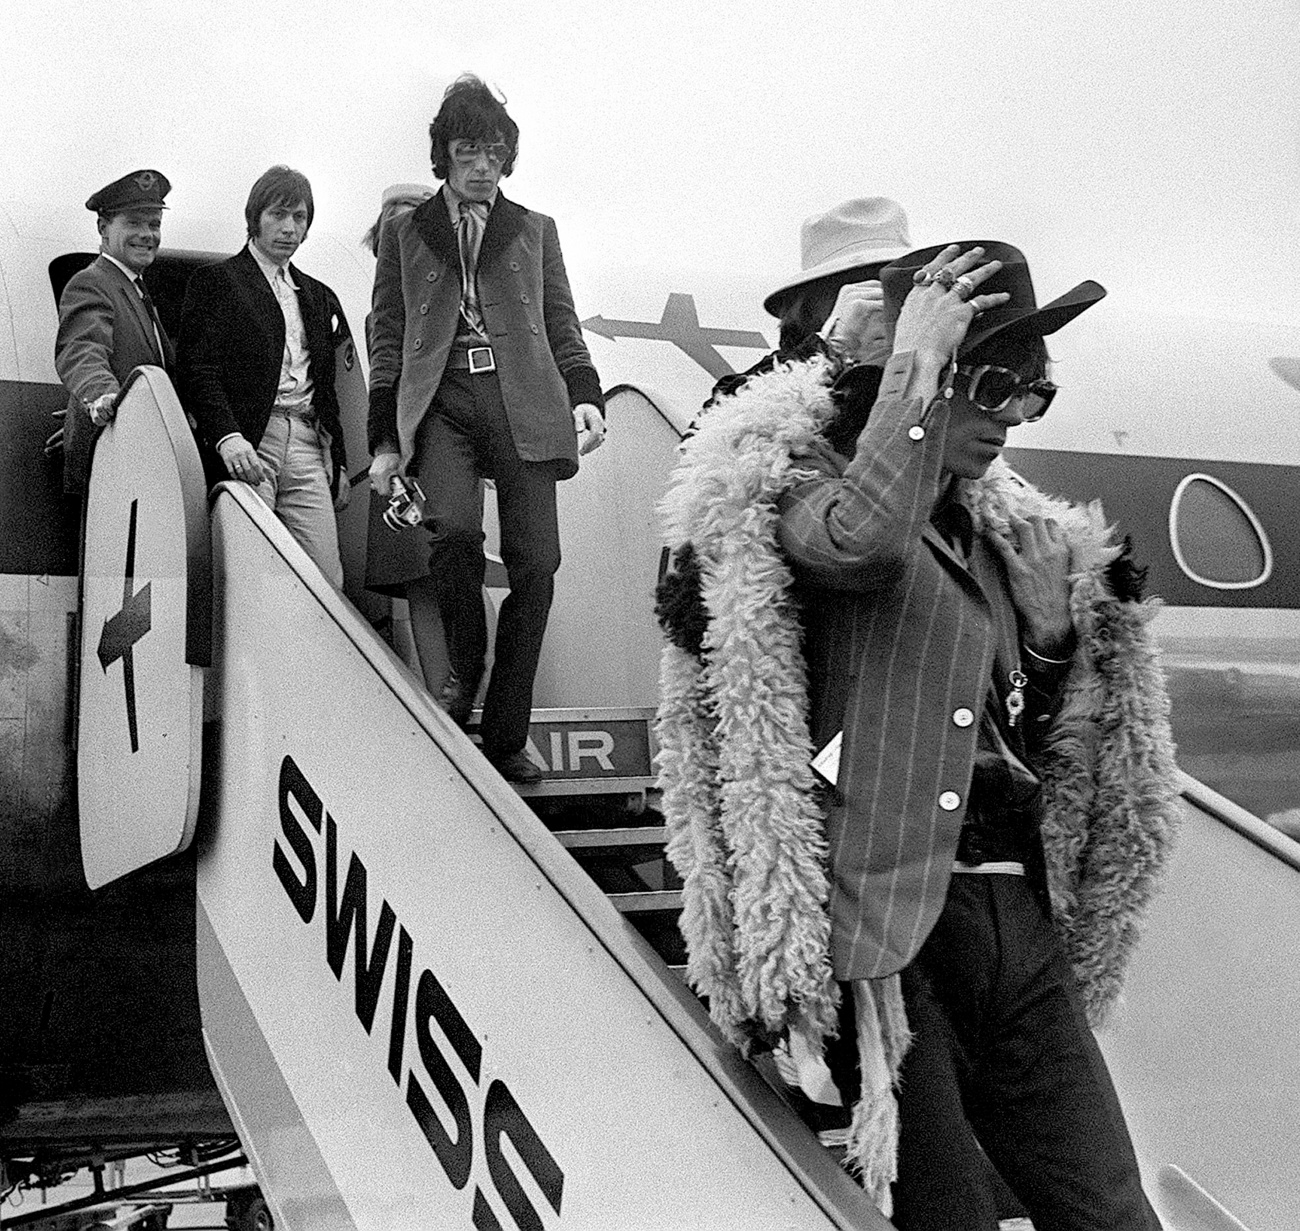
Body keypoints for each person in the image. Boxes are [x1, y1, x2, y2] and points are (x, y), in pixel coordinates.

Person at [655, 241, 1180, 1228]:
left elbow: (1029, 732)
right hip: (894, 932)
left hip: (1011, 924)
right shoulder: (800, 487)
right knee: (948, 1216)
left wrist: (1054, 636)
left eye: (1035, 394)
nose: (1013, 416)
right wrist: (911, 368)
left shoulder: (1006, 534)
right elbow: (858, 546)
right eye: (992, 383)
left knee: (1112, 1210)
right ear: (930, 374)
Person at [367, 74, 605, 784]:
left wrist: (586, 394)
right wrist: (384, 441)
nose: (482, 165)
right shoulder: (406, 234)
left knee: (538, 563)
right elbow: (388, 334)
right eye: (468, 150)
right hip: (442, 399)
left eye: (494, 152)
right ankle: (464, 665)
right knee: (455, 534)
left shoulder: (535, 230)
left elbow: (561, 320)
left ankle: (507, 728)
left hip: (524, 398)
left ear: (508, 157)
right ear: (444, 154)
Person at [178, 166, 349, 587]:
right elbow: (197, 368)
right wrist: (227, 436)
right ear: (254, 218)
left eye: (300, 218)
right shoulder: (216, 282)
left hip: (307, 442)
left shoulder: (316, 294)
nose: (289, 228)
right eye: (278, 215)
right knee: (249, 572)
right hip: (253, 436)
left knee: (326, 579)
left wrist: (339, 459)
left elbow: (325, 385)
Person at [359, 184, 457, 695]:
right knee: (424, 575)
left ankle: (454, 692)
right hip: (399, 456)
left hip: (428, 450)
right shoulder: (390, 306)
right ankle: (446, 692)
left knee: (443, 570)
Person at [706, 196, 912, 420]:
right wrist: (831, 349)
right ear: (810, 308)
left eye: (895, 282)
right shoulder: (785, 371)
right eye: (853, 285)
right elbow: (709, 436)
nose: (875, 303)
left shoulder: (940, 359)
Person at [54, 169, 176, 495]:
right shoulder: (92, 282)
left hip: (139, 463)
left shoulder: (134, 289)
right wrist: (99, 396)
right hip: (109, 469)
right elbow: (82, 348)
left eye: (154, 224)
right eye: (134, 223)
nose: (147, 234)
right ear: (103, 227)